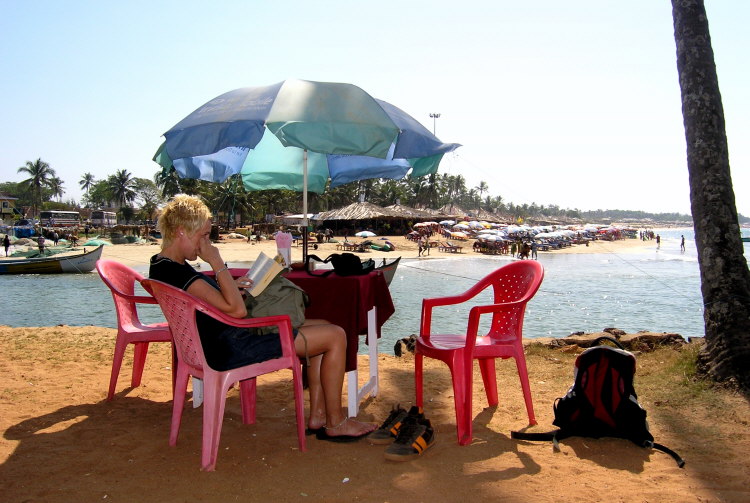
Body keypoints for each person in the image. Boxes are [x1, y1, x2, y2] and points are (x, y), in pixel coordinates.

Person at [149, 195, 375, 441]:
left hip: (219, 340)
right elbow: (237, 311)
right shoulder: (179, 271)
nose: (207, 242)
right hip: (233, 346)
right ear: (182, 232)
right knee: (336, 336)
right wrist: (217, 263)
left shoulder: (162, 266)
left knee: (327, 326)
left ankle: (319, 414)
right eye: (203, 236)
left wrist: (227, 285)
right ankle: (335, 422)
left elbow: (201, 298)